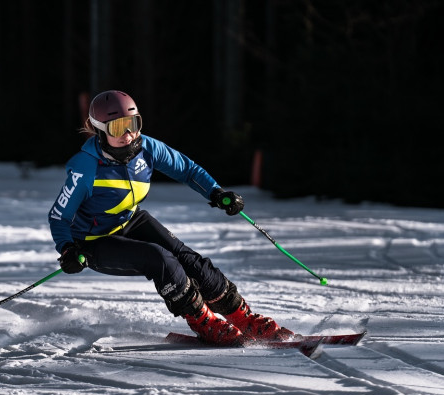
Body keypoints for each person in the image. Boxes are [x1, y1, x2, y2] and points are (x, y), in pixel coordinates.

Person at [47, 90, 293, 346]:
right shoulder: (85, 169)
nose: (128, 134)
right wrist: (67, 249)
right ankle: (202, 320)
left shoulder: (146, 148)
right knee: (160, 259)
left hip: (130, 221)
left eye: (133, 124)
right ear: (99, 130)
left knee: (189, 259)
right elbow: (58, 216)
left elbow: (186, 169)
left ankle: (243, 318)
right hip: (93, 241)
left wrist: (216, 192)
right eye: (117, 127)